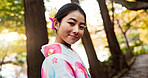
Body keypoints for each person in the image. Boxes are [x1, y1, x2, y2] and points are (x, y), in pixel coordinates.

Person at [41, 3, 90, 78]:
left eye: (81, 27)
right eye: (71, 23)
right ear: (56, 23)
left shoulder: (69, 55)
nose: (76, 30)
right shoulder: (57, 60)